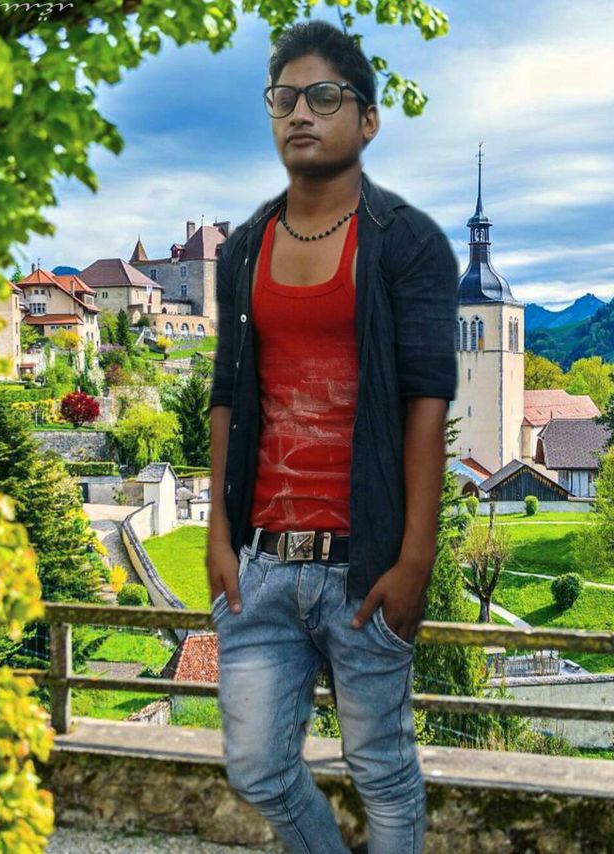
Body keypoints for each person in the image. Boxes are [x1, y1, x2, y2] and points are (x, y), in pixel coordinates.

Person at [206, 18, 459, 854]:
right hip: (262, 564)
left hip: (366, 564)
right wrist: (217, 537)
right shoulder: (244, 249)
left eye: (323, 96)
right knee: (256, 766)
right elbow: (227, 395)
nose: (300, 113)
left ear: (368, 119)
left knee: (382, 770)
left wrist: (414, 560)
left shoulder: (408, 244)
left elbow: (426, 406)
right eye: (284, 98)